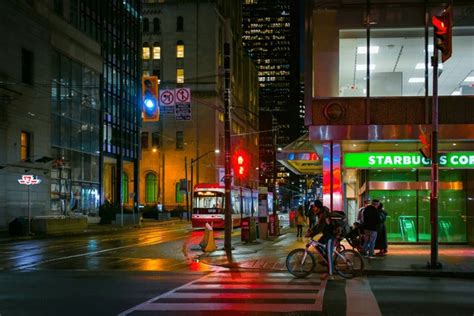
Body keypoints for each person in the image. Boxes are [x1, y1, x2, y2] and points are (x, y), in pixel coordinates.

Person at [306, 199, 336, 276]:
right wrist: (311, 230)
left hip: (330, 235)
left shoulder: (323, 213)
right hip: (326, 235)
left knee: (329, 253)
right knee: (318, 245)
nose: (313, 208)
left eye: (314, 207)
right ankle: (326, 260)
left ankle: (330, 272)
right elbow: (318, 225)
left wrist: (311, 234)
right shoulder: (321, 213)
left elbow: (320, 228)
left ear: (317, 207)